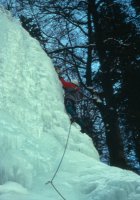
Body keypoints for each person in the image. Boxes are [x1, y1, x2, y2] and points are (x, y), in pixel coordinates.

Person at [55, 67, 85, 132]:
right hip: (74, 101)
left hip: (69, 99)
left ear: (73, 83)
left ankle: (74, 116)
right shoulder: (77, 90)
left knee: (68, 108)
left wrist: (60, 76)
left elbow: (64, 83)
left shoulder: (71, 85)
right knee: (74, 111)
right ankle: (82, 125)